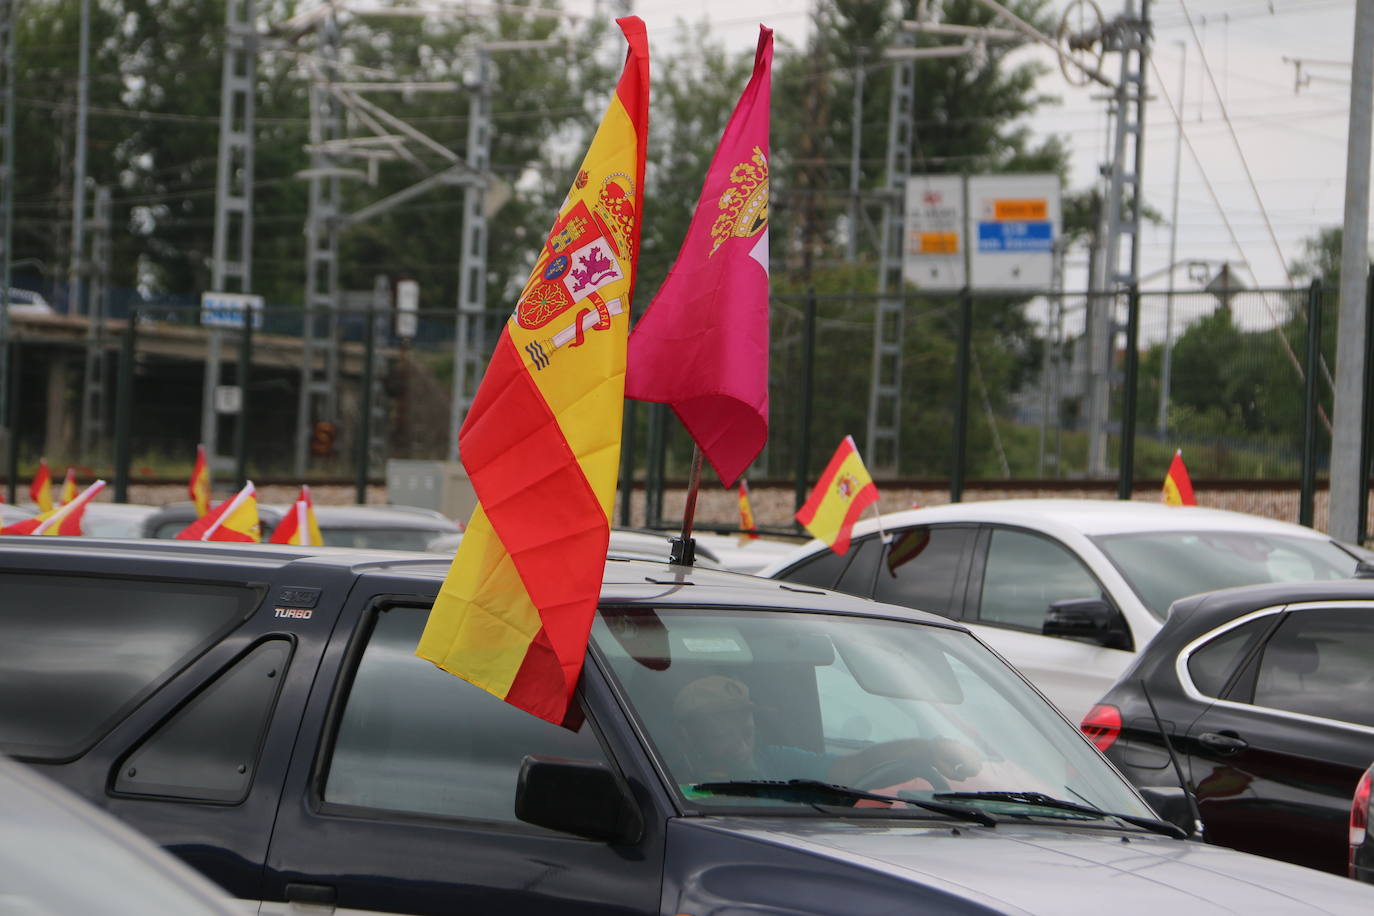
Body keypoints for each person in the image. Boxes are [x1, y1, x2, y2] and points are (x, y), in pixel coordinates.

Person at [671, 674, 982, 788]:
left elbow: (852, 767)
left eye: (746, 733)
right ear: (690, 736)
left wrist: (928, 749)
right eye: (722, 737)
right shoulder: (674, 779)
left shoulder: (775, 761)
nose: (740, 746)